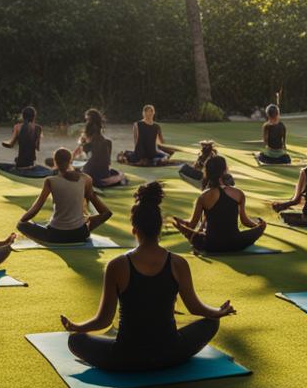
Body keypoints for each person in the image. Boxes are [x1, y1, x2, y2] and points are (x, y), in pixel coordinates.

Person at [61, 182, 235, 371]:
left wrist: (76, 327)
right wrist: (218, 312)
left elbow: (103, 320)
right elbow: (195, 307)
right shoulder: (178, 263)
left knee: (76, 340)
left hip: (126, 356)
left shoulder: (117, 265)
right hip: (170, 353)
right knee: (211, 322)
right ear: (159, 230)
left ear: (134, 230)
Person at [17, 148, 113, 244]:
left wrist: (21, 222)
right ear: (70, 161)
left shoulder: (50, 181)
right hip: (80, 234)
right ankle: (84, 227)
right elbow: (106, 212)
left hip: (55, 235)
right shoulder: (86, 179)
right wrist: (88, 220)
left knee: (21, 225)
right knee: (97, 217)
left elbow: (36, 207)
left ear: (55, 162)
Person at [173, 156, 266, 254]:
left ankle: (193, 236)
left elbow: (192, 225)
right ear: (225, 170)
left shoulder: (203, 197)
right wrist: (257, 226)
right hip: (235, 243)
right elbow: (245, 221)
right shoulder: (238, 193)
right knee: (262, 227)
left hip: (211, 245)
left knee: (198, 238)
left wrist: (183, 223)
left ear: (207, 172)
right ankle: (261, 227)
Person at [74, 109, 125, 188]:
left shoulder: (85, 140)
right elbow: (107, 163)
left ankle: (111, 178)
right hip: (101, 176)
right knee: (118, 174)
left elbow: (76, 156)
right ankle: (114, 178)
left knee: (76, 168)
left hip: (89, 176)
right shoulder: (108, 142)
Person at [0, 106, 42, 171]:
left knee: (16, 160)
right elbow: (37, 148)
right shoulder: (38, 128)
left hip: (20, 165)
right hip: (32, 165)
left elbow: (10, 145)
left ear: (23, 116)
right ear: (34, 116)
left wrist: (2, 143)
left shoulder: (17, 127)